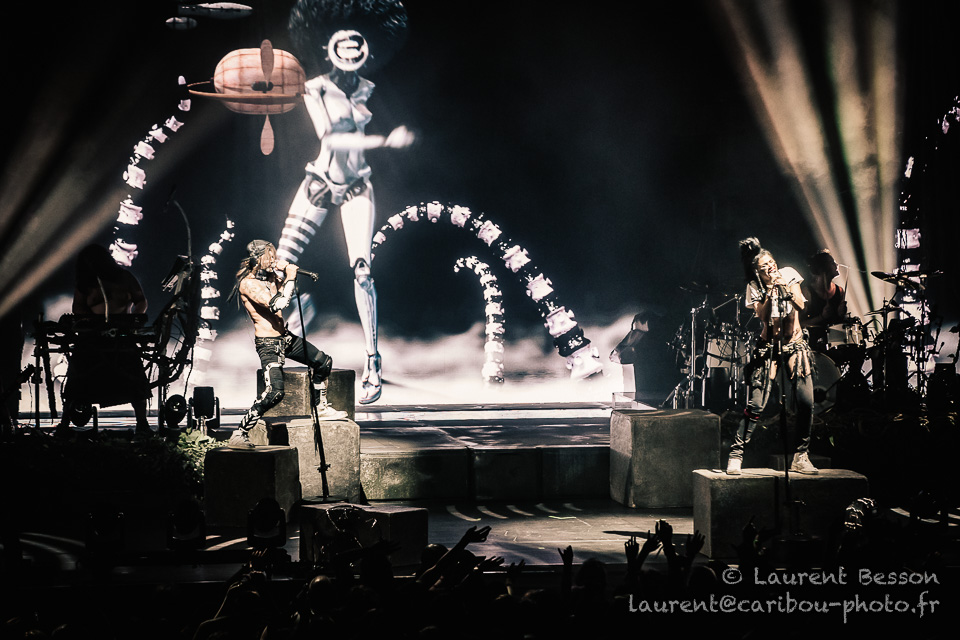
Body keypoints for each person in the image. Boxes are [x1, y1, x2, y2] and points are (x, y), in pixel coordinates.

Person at [277, 0, 413, 406]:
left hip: (357, 185)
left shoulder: (367, 89)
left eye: (358, 47)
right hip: (320, 181)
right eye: (345, 46)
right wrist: (384, 141)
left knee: (363, 272)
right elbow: (331, 138)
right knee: (280, 267)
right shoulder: (315, 88)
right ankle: (298, 315)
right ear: (329, 49)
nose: (352, 53)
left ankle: (373, 360)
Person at [229, 240, 346, 449]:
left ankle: (320, 408)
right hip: (268, 343)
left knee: (323, 362)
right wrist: (290, 277)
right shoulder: (248, 284)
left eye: (274, 255)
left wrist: (284, 277)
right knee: (275, 392)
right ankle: (239, 433)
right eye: (269, 256)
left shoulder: (270, 277)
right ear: (257, 258)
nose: (273, 260)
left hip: (285, 338)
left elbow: (285, 295)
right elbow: (278, 304)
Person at [726, 238, 817, 475]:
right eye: (764, 266)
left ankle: (801, 456)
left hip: (795, 345)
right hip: (769, 347)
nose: (770, 267)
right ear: (757, 271)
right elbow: (764, 316)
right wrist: (770, 291)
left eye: (771, 262)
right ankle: (736, 455)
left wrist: (783, 286)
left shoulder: (789, 274)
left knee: (806, 401)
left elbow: (800, 305)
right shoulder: (754, 286)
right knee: (756, 404)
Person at [57, 244, 151, 435]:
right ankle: (65, 423)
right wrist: (90, 323)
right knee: (78, 380)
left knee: (133, 380)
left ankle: (142, 424)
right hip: (92, 337)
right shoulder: (86, 283)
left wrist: (134, 320)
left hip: (122, 334)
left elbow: (141, 300)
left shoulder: (124, 277)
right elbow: (78, 308)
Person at [800, 249, 847, 351]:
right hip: (814, 345)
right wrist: (821, 317)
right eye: (832, 263)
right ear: (822, 268)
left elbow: (839, 322)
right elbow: (800, 324)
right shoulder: (807, 292)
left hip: (836, 342)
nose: (837, 265)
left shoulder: (839, 291)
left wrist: (841, 314)